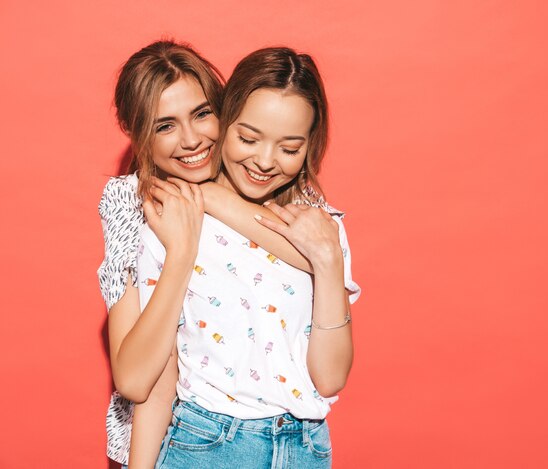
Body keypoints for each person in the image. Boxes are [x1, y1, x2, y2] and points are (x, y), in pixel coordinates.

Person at [136, 47, 360, 468]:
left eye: (289, 148)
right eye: (248, 138)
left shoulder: (321, 231)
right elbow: (155, 385)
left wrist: (328, 262)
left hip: (305, 450)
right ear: (224, 121)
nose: (263, 161)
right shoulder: (178, 220)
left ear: (309, 146)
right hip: (208, 443)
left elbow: (330, 378)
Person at [98, 40, 312, 469]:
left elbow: (321, 256)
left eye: (201, 113)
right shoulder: (129, 202)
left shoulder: (264, 170)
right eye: (165, 126)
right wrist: (181, 251)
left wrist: (209, 196)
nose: (193, 139)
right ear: (135, 130)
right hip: (174, 440)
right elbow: (137, 381)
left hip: (280, 438)